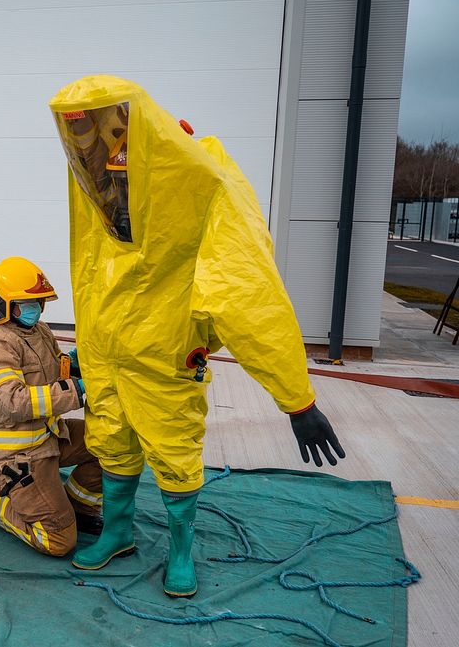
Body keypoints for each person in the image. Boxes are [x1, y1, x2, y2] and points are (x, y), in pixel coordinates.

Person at [48, 75, 346, 597]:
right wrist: (85, 345)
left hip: (165, 348)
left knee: (173, 448)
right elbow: (93, 267)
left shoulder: (200, 179)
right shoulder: (91, 180)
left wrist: (296, 398)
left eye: (96, 126)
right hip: (106, 350)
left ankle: (181, 551)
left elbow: (245, 290)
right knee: (111, 442)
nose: (89, 144)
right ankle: (118, 532)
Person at [0, 257, 102, 557]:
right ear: (1, 304)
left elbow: (55, 374)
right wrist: (77, 390)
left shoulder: (40, 331)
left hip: (49, 435)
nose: (35, 308)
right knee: (60, 541)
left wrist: (78, 365)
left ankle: (76, 507)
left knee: (108, 443)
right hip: (20, 455)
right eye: (27, 302)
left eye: (38, 301)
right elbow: (15, 402)